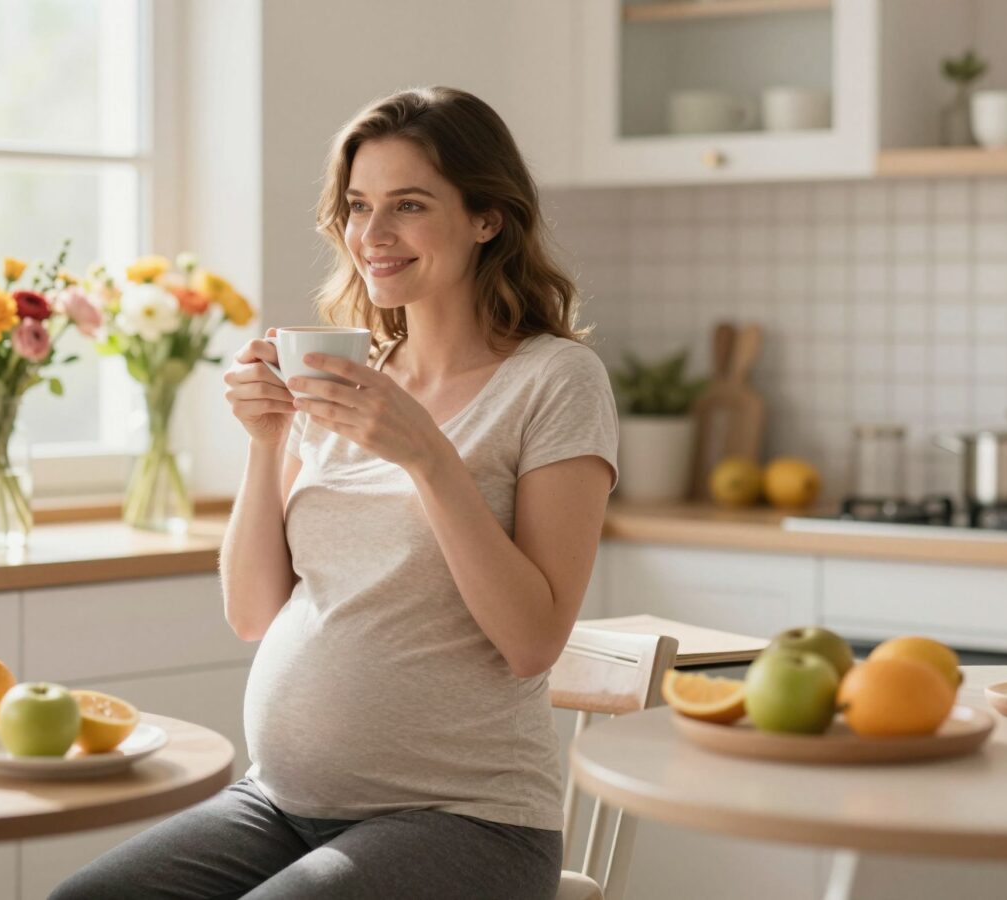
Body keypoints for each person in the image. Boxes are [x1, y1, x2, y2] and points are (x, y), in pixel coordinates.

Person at [50, 86, 618, 899]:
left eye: (408, 205)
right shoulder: (348, 377)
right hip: (279, 804)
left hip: (468, 819)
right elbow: (252, 613)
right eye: (357, 206)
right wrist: (267, 442)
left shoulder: (556, 380)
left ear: (487, 216)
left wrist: (428, 457)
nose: (372, 236)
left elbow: (532, 641)